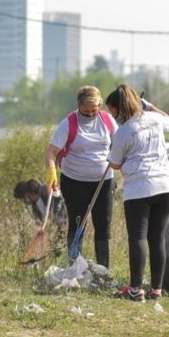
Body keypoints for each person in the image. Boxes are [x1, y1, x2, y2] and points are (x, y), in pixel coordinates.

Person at [105, 84, 169, 302]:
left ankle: (136, 289)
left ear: (118, 109)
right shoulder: (155, 120)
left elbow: (114, 164)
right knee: (157, 239)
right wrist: (150, 106)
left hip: (139, 189)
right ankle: (156, 289)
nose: (111, 115)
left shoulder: (124, 132)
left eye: (111, 111)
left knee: (137, 238)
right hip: (165, 186)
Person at [43, 86, 118, 267]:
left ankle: (103, 270)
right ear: (79, 106)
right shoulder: (69, 123)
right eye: (86, 111)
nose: (91, 114)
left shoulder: (107, 120)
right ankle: (75, 267)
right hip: (75, 182)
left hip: (104, 181)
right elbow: (51, 153)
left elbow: (120, 146)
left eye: (94, 110)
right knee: (77, 225)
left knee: (103, 225)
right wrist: (51, 173)